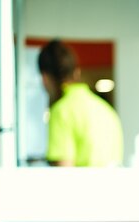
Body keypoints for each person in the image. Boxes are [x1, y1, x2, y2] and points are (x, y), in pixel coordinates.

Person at [38, 39, 123, 167]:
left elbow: (63, 172)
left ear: (45, 78)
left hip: (82, 187)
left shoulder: (61, 111)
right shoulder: (106, 109)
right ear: (76, 72)